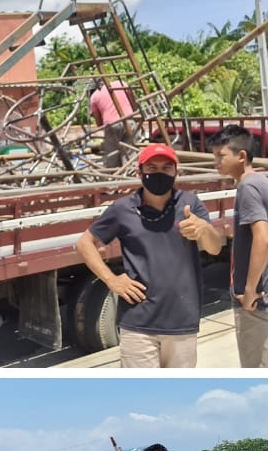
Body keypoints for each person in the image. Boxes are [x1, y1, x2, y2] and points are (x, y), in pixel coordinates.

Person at [75, 144, 222, 367]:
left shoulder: (190, 205)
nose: (159, 173)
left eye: (166, 167)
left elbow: (214, 248)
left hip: (182, 322)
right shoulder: (123, 209)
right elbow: (85, 243)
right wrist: (111, 280)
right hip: (138, 323)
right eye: (151, 167)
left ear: (177, 172)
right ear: (139, 172)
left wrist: (204, 230)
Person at [209, 124, 268, 368]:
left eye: (220, 156)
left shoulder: (248, 187)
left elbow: (263, 238)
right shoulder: (264, 182)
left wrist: (249, 290)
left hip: (257, 297)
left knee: (258, 371)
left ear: (241, 156)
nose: (215, 162)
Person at [89, 78, 137, 168]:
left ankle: (112, 178)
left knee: (112, 156)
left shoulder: (94, 96)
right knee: (130, 153)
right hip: (129, 121)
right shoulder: (122, 83)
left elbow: (99, 122)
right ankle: (130, 175)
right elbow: (133, 101)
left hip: (112, 125)